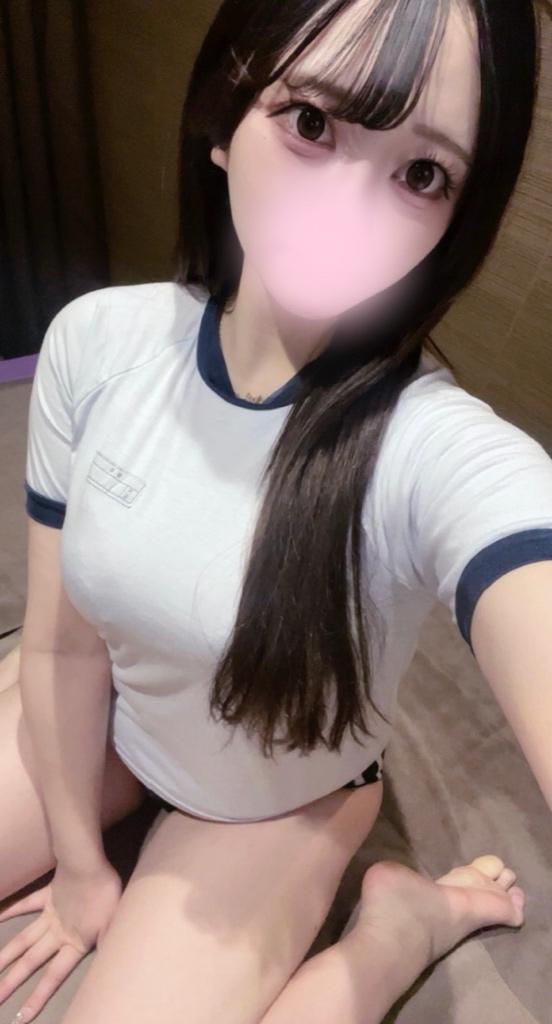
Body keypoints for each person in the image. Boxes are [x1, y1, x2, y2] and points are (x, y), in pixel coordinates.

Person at [1, 0, 551, 1021]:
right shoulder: (98, 344)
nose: (348, 211)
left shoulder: (427, 447)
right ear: (224, 117)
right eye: (312, 123)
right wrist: (81, 867)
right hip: (113, 710)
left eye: (421, 174)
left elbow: (521, 547)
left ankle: (403, 925)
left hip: (277, 803)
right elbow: (65, 644)